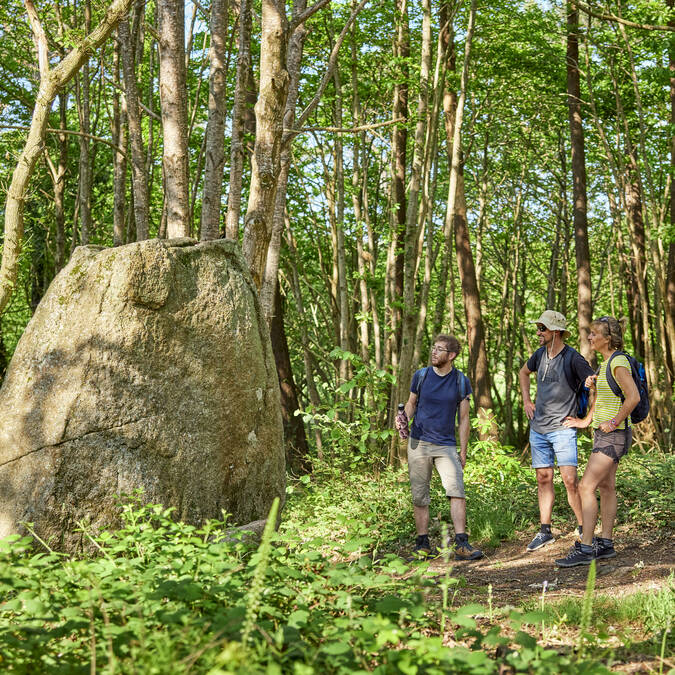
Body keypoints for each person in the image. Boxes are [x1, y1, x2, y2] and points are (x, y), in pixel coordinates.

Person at [556, 316, 639, 567]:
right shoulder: (605, 365)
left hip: (613, 435)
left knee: (585, 487)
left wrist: (613, 422)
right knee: (606, 487)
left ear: (608, 338)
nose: (590, 337)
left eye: (594, 334)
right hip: (606, 434)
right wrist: (585, 420)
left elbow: (632, 397)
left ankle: (587, 546)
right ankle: (606, 543)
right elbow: (604, 400)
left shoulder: (618, 362)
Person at [395, 334, 483, 561]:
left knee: (457, 492)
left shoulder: (460, 381)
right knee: (419, 495)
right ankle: (422, 544)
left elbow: (464, 419)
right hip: (419, 443)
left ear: (451, 355)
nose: (434, 352)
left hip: (446, 446)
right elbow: (412, 403)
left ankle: (462, 544)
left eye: (439, 349)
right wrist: (403, 418)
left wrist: (463, 451)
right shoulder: (421, 376)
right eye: (433, 348)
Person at [518, 310, 594, 552]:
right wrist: (527, 401)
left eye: (543, 328)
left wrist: (585, 420)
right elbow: (523, 373)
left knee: (571, 481)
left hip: (563, 429)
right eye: (538, 328)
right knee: (543, 478)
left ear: (556, 332)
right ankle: (545, 531)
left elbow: (595, 386)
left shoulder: (574, 358)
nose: (538, 332)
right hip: (538, 429)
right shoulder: (540, 354)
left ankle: (585, 528)